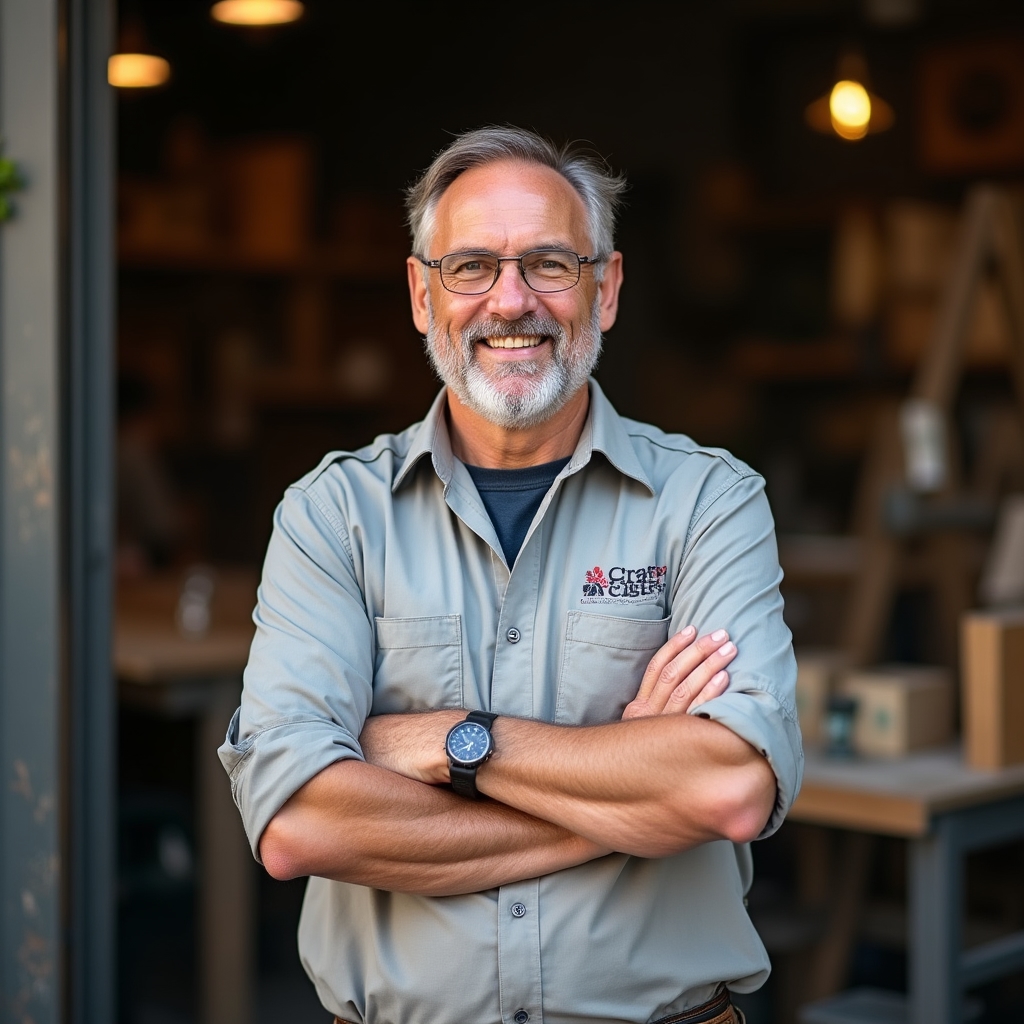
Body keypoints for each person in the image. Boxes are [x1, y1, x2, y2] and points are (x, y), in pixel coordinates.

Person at [219, 126, 802, 1024]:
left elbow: (727, 787)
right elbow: (298, 822)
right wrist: (629, 799)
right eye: (472, 268)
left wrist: (450, 741)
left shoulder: (708, 502)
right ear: (423, 295)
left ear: (606, 289)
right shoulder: (333, 515)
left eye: (549, 264)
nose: (512, 300)